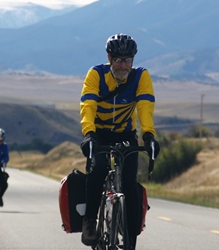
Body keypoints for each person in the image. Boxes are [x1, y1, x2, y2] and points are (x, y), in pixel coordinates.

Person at [80, 33, 160, 249]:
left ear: (133, 60)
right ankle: (90, 221)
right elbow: (88, 105)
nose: (123, 65)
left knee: (130, 184)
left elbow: (145, 106)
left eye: (127, 60)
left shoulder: (140, 76)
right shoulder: (96, 74)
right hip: (99, 134)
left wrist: (149, 136)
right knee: (97, 172)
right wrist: (89, 133)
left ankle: (131, 235)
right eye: (118, 59)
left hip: (126, 135)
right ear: (109, 58)